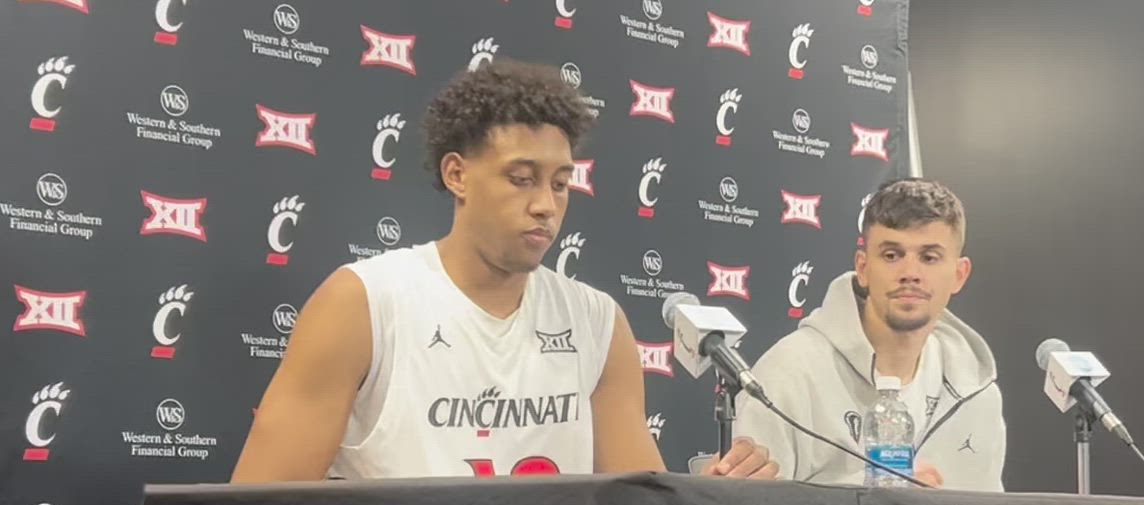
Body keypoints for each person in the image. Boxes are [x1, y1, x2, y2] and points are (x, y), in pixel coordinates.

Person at [231, 60, 777, 483]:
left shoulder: (597, 322)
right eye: (522, 178)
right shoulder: (364, 302)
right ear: (457, 175)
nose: (546, 204)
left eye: (560, 183)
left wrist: (707, 498)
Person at [734, 178, 1004, 490]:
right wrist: (876, 499)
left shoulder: (977, 391)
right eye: (891, 255)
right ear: (863, 267)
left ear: (959, 275)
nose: (910, 273)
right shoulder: (790, 371)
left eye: (929, 257)